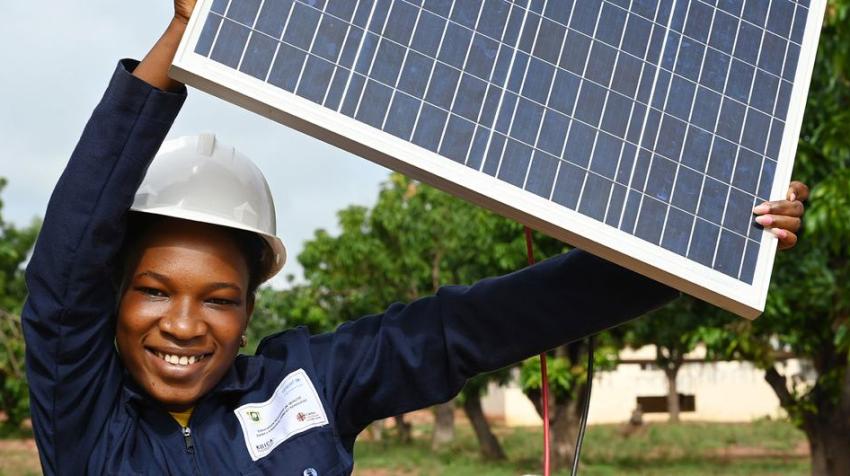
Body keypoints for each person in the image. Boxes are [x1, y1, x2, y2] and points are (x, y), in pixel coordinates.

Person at [22, 2, 809, 475]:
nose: (186, 325)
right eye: (154, 290)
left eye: (220, 299)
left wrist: (706, 246)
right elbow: (65, 272)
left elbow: (471, 327)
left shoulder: (307, 385)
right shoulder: (88, 423)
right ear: (114, 296)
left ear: (252, 303)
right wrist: (183, 37)